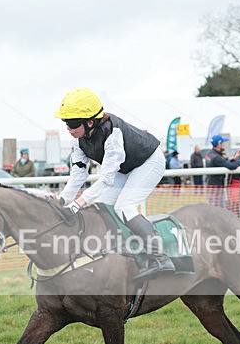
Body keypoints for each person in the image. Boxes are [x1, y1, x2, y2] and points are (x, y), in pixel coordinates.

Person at [55, 87, 173, 280]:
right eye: (65, 123)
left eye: (72, 124)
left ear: (90, 122)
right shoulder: (78, 139)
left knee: (124, 207)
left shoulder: (112, 133)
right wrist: (62, 200)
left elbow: (106, 179)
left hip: (149, 161)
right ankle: (124, 249)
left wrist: (78, 204)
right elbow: (78, 174)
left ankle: (160, 258)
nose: (68, 128)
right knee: (101, 206)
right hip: (125, 166)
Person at [205, 134, 240, 210]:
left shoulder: (211, 154)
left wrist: (234, 158)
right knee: (219, 212)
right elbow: (232, 166)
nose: (224, 144)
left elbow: (224, 163)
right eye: (223, 143)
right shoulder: (216, 157)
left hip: (214, 189)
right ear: (219, 144)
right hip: (216, 191)